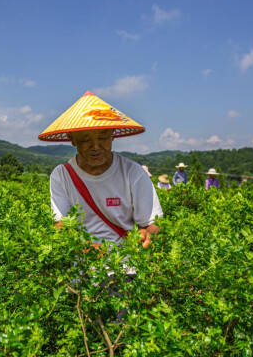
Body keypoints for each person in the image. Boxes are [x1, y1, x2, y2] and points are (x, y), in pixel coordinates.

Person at [39, 91, 162, 248]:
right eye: (85, 139)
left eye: (103, 138)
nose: (95, 146)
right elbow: (60, 225)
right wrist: (88, 249)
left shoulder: (133, 172)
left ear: (113, 135)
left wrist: (146, 236)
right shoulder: (62, 175)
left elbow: (152, 223)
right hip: (82, 264)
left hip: (127, 263)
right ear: (72, 139)